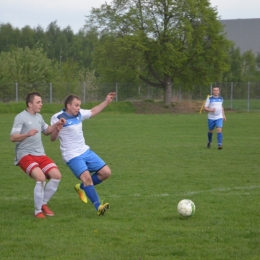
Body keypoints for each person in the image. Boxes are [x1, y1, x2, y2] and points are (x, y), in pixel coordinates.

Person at [50, 92, 116, 216]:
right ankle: (98, 206)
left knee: (106, 173)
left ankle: (81, 187)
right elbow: (52, 138)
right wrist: (57, 129)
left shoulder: (79, 114)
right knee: (88, 179)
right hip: (72, 155)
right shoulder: (57, 117)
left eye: (79, 105)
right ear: (68, 105)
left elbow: (93, 111)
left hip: (85, 151)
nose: (79, 108)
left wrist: (106, 101)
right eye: (76, 105)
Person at [10, 92, 66, 219]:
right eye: (38, 102)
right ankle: (37, 211)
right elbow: (13, 137)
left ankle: (44, 203)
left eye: (41, 102)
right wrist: (27, 134)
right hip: (25, 154)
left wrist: (57, 125)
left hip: (40, 154)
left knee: (56, 176)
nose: (41, 104)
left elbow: (46, 131)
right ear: (30, 104)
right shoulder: (20, 117)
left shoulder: (39, 117)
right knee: (40, 178)